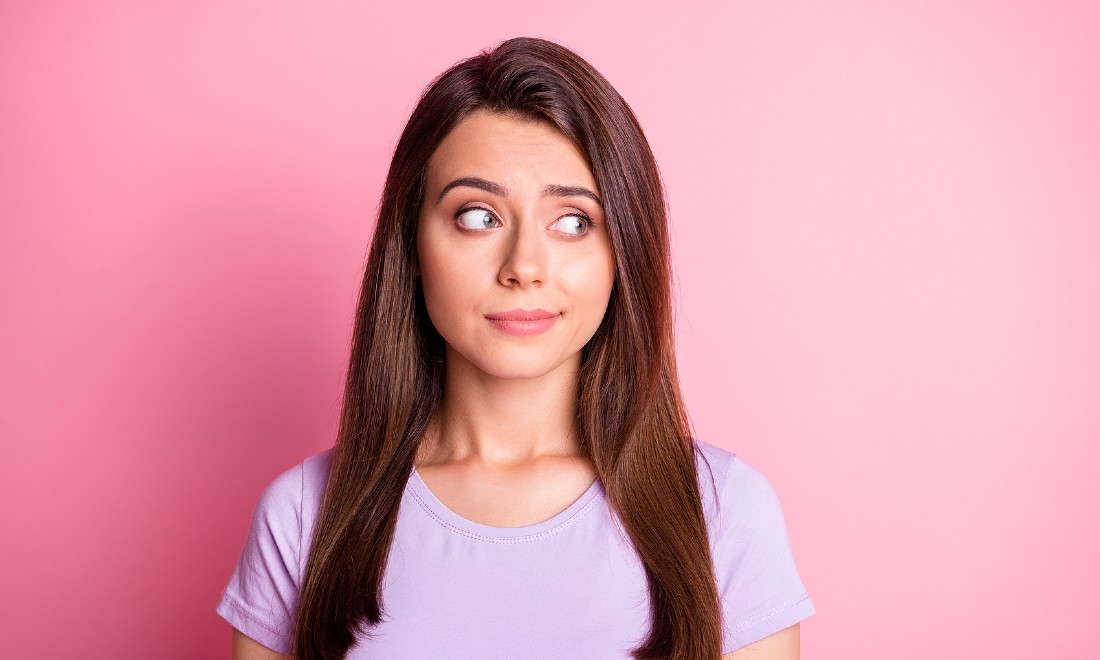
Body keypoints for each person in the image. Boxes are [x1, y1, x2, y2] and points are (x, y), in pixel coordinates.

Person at [216, 37, 815, 659]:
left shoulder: (722, 513)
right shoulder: (305, 517)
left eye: (574, 222)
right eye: (478, 216)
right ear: (411, 244)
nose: (525, 266)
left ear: (622, 254)